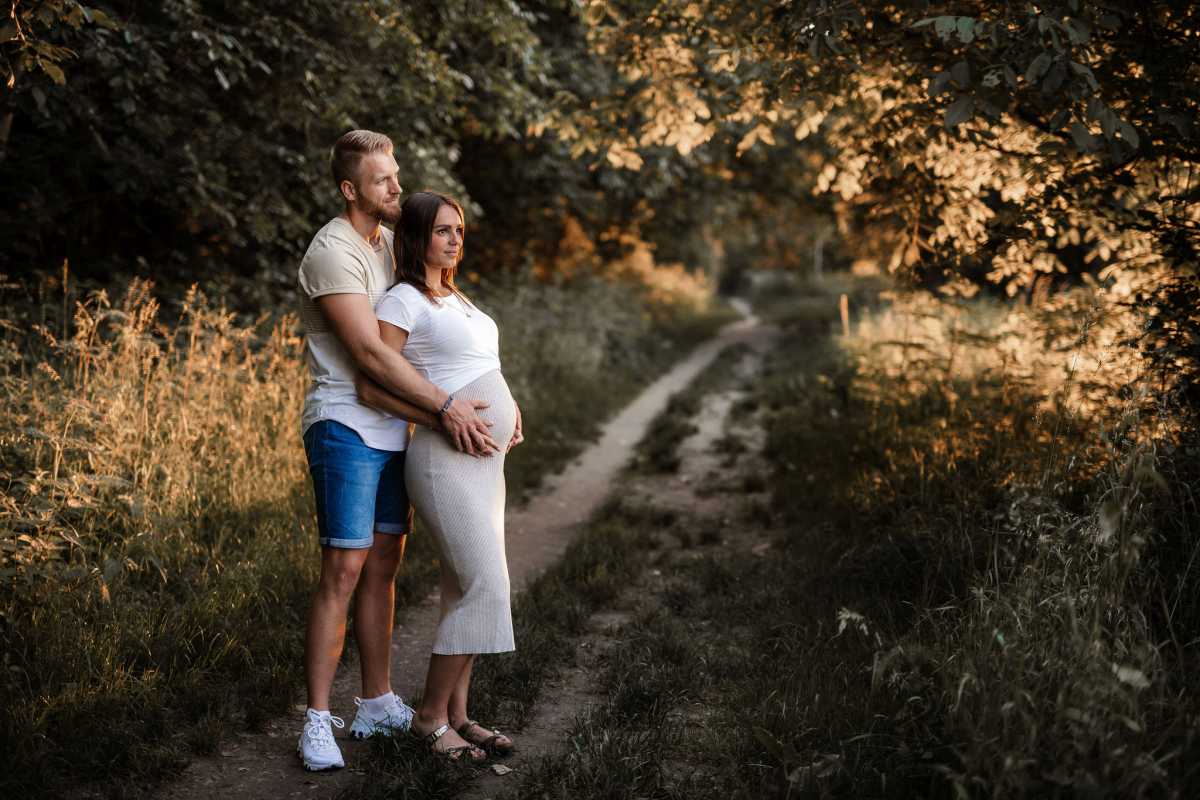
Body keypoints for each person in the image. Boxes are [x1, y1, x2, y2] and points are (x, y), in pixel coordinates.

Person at [295, 131, 498, 772]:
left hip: (394, 432)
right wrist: (444, 407)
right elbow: (372, 356)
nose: (395, 188)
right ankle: (317, 719)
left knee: (384, 566)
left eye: (396, 175)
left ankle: (378, 702)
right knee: (344, 571)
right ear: (350, 190)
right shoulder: (333, 252)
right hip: (347, 428)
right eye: (382, 180)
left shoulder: (387, 242)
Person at [356, 191, 523, 760]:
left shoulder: (458, 297)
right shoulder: (404, 299)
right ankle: (428, 719)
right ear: (417, 238)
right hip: (443, 459)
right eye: (443, 231)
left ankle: (459, 714)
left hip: (486, 460)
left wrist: (510, 409)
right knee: (486, 584)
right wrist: (443, 416)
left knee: (462, 587)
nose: (455, 239)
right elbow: (373, 385)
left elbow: (479, 367)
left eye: (458, 229)